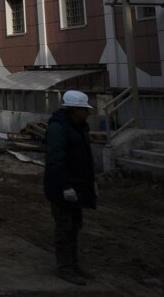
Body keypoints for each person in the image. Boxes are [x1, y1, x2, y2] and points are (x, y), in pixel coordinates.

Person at [44, 90, 97, 286]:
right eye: (85, 109)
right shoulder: (59, 128)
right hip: (62, 188)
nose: (88, 113)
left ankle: (73, 264)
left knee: (75, 226)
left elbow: (84, 159)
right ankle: (64, 267)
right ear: (74, 110)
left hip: (77, 186)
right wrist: (65, 186)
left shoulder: (79, 127)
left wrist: (91, 183)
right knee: (64, 228)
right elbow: (55, 161)